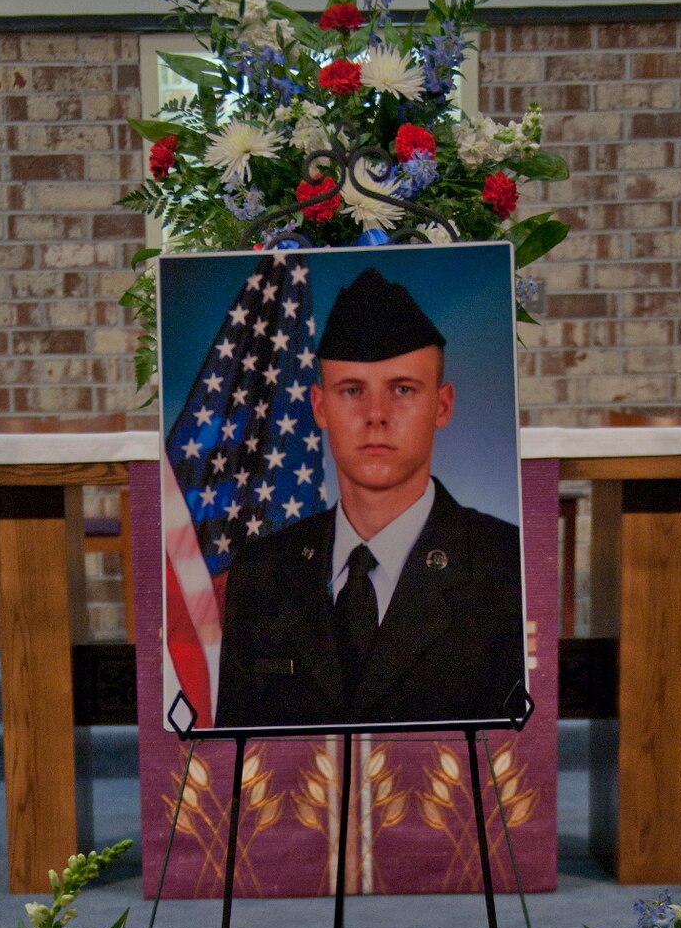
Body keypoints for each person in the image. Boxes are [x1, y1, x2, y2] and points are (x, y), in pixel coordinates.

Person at [213, 264, 525, 731]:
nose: (376, 415)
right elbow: (235, 765)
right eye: (352, 390)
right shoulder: (262, 574)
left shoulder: (506, 568)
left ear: (442, 405)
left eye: (402, 389)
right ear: (319, 406)